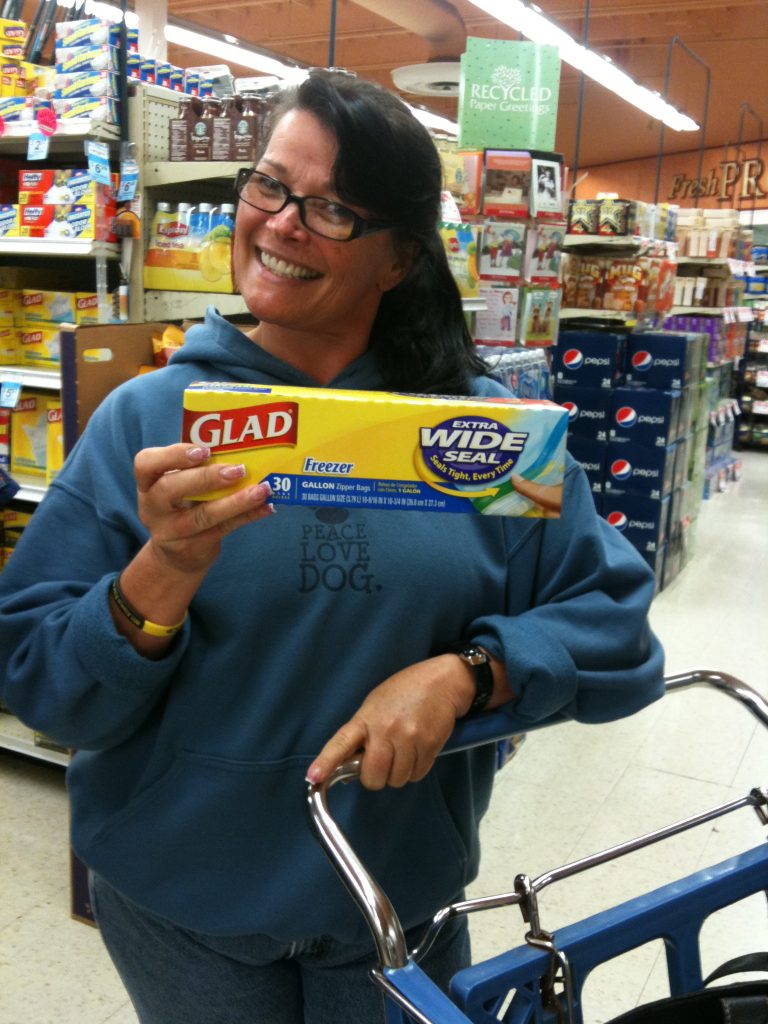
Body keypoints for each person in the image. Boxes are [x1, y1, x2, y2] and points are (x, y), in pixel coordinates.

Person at [0, 70, 664, 1024]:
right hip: (180, 907)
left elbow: (620, 639)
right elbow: (38, 679)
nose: (280, 224)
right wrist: (163, 574)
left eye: (333, 209)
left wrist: (468, 674)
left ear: (399, 258)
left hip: (396, 910)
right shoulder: (152, 422)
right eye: (268, 185)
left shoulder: (488, 440)